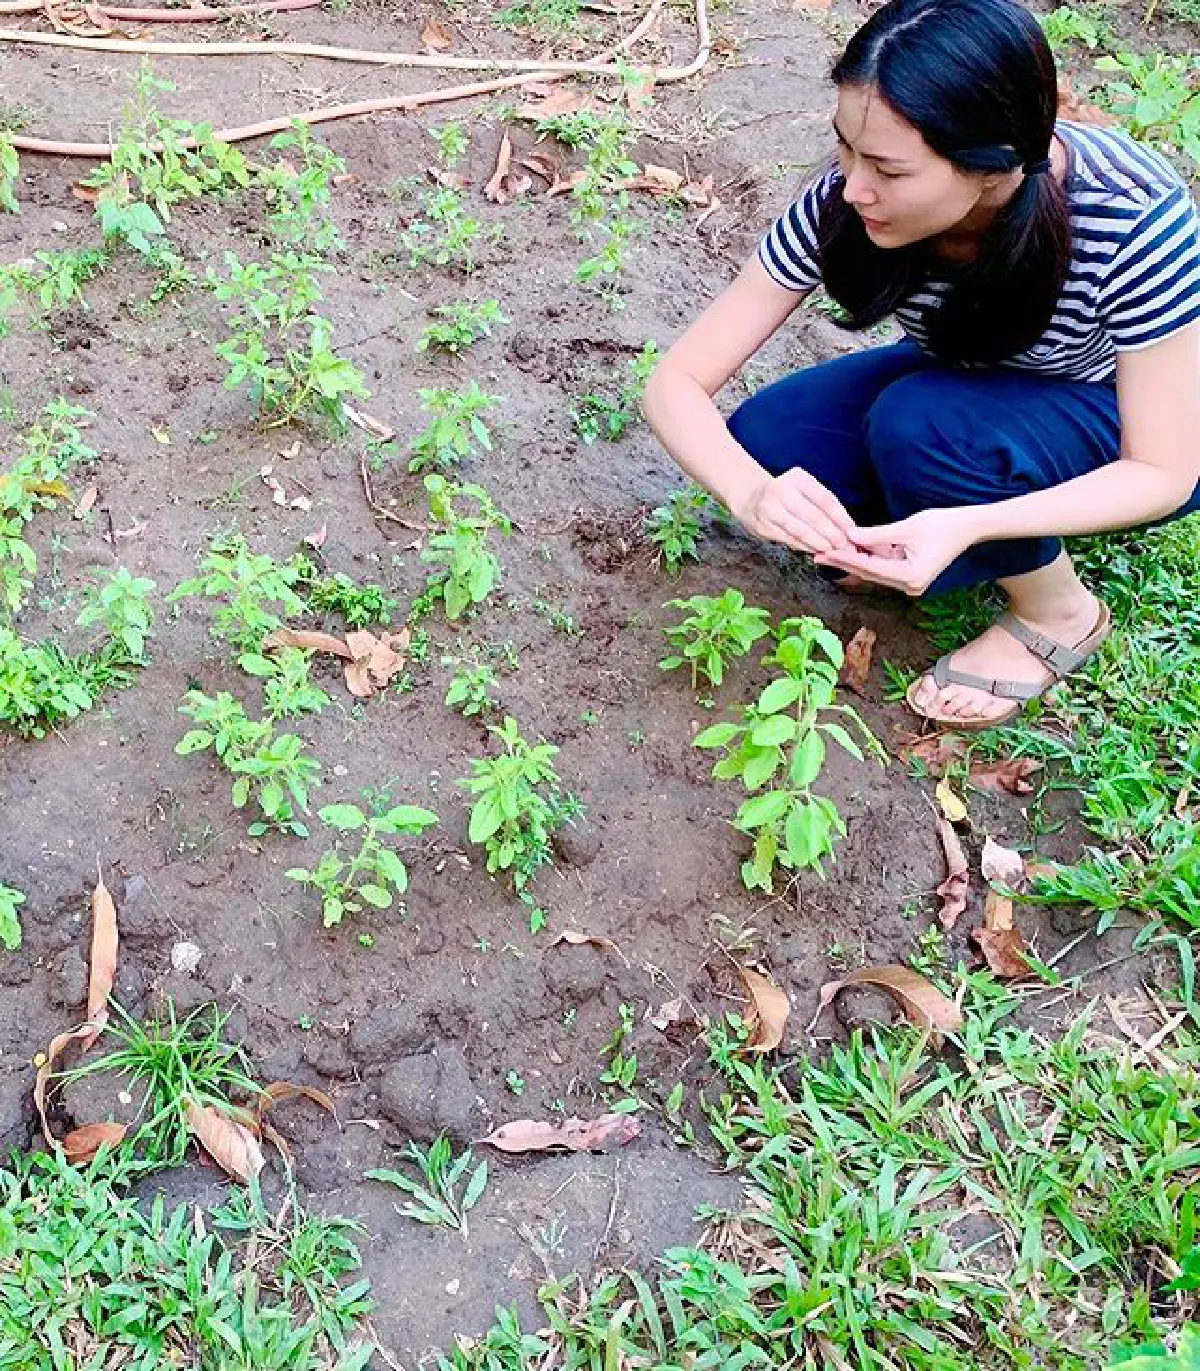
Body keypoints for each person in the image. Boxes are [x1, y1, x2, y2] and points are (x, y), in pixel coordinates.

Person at [643, 0, 1200, 728]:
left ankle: (1058, 610)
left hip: (1116, 403)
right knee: (772, 442)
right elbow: (676, 382)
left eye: (887, 168)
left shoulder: (1131, 214)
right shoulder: (848, 202)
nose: (852, 185)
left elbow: (1165, 470)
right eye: (845, 148)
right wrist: (751, 493)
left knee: (925, 428)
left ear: (993, 169)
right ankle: (916, 527)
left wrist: (969, 525)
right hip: (973, 377)